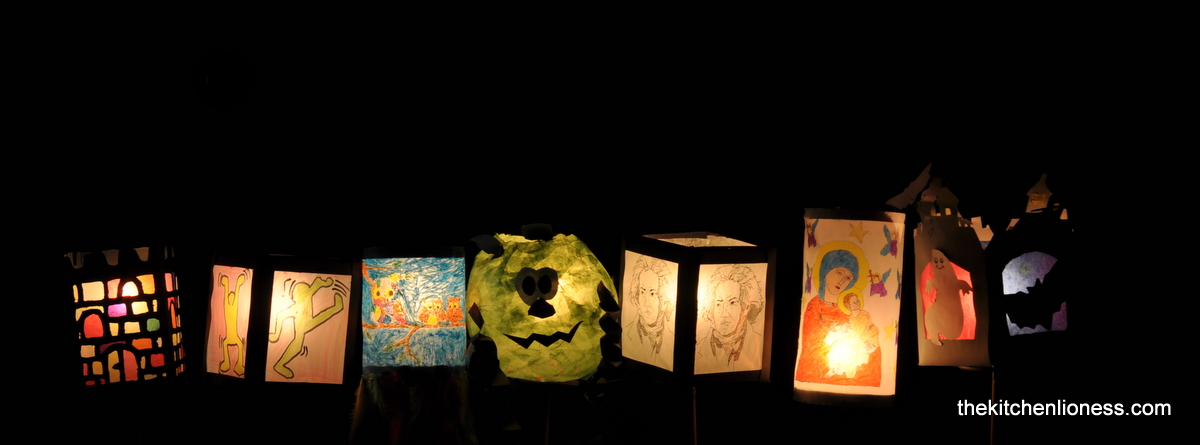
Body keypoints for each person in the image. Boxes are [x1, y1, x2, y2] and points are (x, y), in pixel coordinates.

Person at [795, 243, 882, 387]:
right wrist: (831, 337)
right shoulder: (814, 306)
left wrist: (870, 345)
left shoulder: (849, 309)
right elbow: (810, 345)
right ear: (826, 271)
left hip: (852, 376)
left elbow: (865, 331)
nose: (842, 281)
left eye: (848, 278)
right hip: (815, 374)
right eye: (839, 273)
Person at [695, 264, 765, 374]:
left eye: (732, 303)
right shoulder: (698, 348)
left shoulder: (761, 346)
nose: (724, 314)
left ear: (745, 308)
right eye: (719, 304)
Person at [622, 256, 675, 370]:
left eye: (652, 293)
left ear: (663, 300)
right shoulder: (625, 333)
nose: (646, 303)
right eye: (642, 292)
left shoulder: (674, 339)